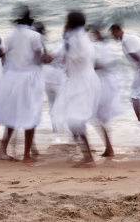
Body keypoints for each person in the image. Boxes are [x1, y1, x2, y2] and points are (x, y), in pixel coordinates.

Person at [0, 8, 47, 163]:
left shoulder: (11, 34)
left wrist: (10, 62)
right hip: (29, 77)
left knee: (12, 114)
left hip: (12, 77)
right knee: (31, 114)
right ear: (31, 21)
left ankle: (2, 151)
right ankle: (27, 155)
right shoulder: (34, 35)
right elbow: (40, 57)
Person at [51, 12, 101, 167]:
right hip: (80, 81)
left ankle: (88, 157)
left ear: (70, 23)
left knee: (75, 120)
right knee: (74, 120)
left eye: (66, 21)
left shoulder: (75, 39)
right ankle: (87, 156)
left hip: (81, 83)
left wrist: (51, 58)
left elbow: (70, 59)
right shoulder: (79, 37)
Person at [90, 26, 123, 157]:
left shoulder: (104, 47)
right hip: (103, 83)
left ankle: (109, 148)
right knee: (98, 118)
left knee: (98, 117)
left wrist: (88, 66)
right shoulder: (102, 47)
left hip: (104, 85)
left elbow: (105, 64)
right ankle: (108, 147)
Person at [110, 24, 140, 122]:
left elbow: (134, 54)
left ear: (118, 30)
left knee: (133, 95)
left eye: (113, 33)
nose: (113, 36)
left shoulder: (126, 41)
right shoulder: (130, 38)